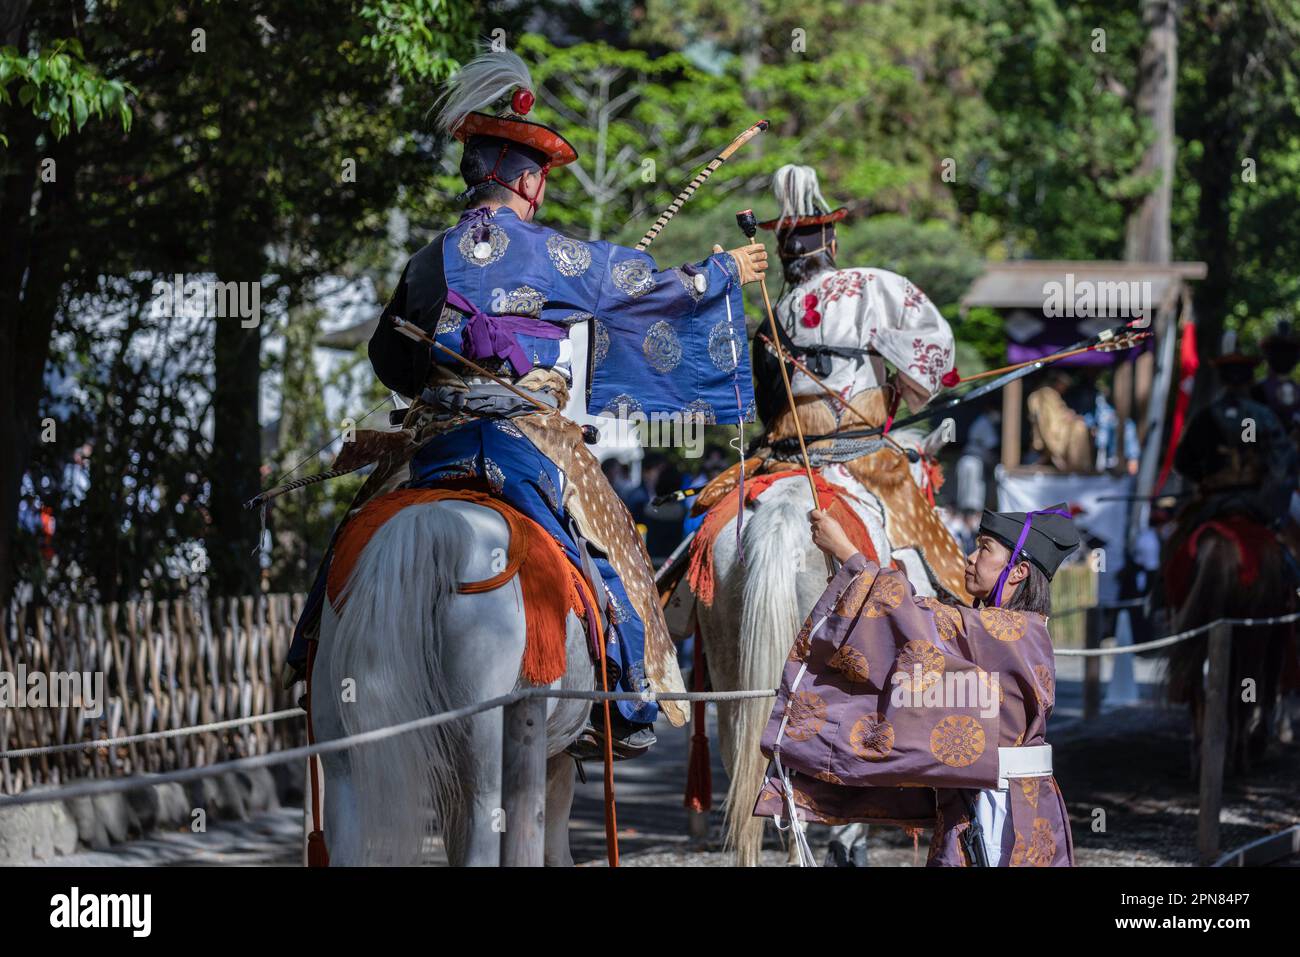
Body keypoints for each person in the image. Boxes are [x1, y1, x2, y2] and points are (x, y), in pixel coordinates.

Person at [283, 48, 768, 758]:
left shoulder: (428, 258)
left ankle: (310, 653)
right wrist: (723, 270)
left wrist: (436, 375)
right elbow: (653, 287)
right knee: (612, 544)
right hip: (524, 443)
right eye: (540, 174)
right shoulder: (554, 255)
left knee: (355, 532)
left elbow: (388, 357)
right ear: (524, 178)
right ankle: (627, 693)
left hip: (435, 442)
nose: (541, 188)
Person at [752, 502, 1082, 866]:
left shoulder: (1013, 631)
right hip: (978, 796)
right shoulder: (991, 628)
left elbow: (916, 618)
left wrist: (846, 553)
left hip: (1005, 807)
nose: (970, 558)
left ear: (1018, 571)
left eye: (985, 548)